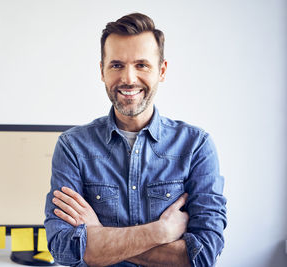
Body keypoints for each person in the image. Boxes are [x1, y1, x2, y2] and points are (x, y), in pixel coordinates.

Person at [44, 12, 227, 267]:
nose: (129, 78)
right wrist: (159, 233)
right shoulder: (73, 147)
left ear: (161, 70)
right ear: (102, 71)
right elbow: (64, 248)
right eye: (117, 65)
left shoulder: (196, 146)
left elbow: (203, 256)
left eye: (142, 65)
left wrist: (98, 239)